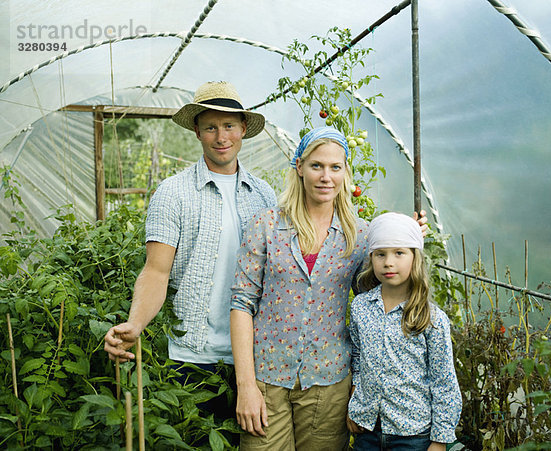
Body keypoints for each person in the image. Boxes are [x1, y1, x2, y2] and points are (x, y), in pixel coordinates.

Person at [229, 127, 427, 450]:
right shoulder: (266, 226)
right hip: (266, 380)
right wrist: (246, 386)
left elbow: (380, 299)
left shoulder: (359, 236)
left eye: (335, 167)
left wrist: (405, 238)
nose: (326, 177)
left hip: (328, 384)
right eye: (316, 166)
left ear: (346, 173)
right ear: (299, 167)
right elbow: (241, 305)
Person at [103, 81, 277, 423]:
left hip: (255, 356)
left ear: (243, 129)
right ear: (197, 131)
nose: (221, 136)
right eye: (211, 127)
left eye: (228, 126)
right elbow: (156, 271)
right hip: (192, 356)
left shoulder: (264, 195)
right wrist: (135, 323)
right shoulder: (173, 193)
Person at [346, 212, 462, 451]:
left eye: (399, 253)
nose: (389, 262)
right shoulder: (360, 307)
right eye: (380, 254)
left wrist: (440, 440)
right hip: (367, 431)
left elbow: (444, 382)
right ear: (371, 258)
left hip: (412, 435)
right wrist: (355, 406)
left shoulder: (431, 318)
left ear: (415, 257)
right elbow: (358, 360)